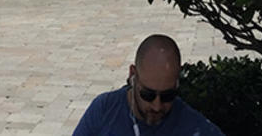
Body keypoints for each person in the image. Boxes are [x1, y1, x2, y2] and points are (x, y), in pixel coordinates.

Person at [70, 35, 221, 136]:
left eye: (168, 96)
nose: (157, 106)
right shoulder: (104, 109)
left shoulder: (193, 126)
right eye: (148, 95)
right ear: (132, 75)